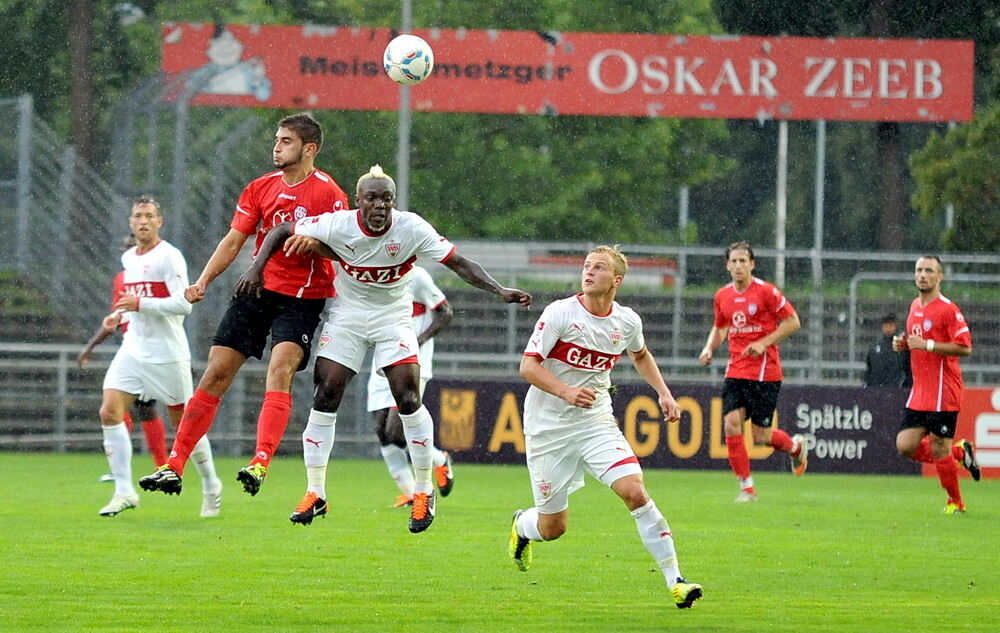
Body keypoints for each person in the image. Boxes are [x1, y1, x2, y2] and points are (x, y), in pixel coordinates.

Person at [234, 164, 531, 533]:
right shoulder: (337, 223)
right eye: (372, 198)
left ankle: (423, 491)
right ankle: (316, 492)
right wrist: (256, 267)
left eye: (386, 199)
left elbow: (458, 262)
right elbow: (279, 229)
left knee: (407, 397)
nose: (379, 206)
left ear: (394, 202)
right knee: (326, 393)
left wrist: (500, 289)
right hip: (348, 315)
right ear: (358, 201)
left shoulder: (411, 227)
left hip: (393, 316)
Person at [139, 113, 349, 498]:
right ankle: (174, 465)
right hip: (256, 289)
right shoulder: (259, 188)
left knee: (280, 367)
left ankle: (260, 461)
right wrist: (202, 281)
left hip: (302, 298)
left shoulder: (329, 194)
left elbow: (346, 249)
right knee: (216, 372)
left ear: (309, 149)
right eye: (277, 139)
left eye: (286, 141)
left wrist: (317, 246)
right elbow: (233, 241)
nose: (277, 146)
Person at [507, 245, 702, 609]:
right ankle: (521, 526)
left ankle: (676, 580)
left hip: (595, 422)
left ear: (616, 280)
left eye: (598, 267)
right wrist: (565, 391)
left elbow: (640, 354)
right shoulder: (560, 313)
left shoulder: (627, 321)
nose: (589, 271)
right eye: (586, 266)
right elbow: (528, 367)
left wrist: (663, 393)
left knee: (635, 492)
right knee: (553, 528)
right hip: (548, 429)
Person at [97, 196, 222, 518]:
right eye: (138, 216)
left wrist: (141, 306)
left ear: (159, 221)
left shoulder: (170, 257)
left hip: (167, 354)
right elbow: (133, 303)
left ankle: (211, 484)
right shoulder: (128, 259)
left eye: (149, 216)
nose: (142, 221)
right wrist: (118, 317)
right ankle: (124, 491)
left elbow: (184, 305)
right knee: (110, 412)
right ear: (130, 221)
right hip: (133, 351)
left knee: (185, 428)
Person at [698, 241, 806, 502]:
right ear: (727, 265)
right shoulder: (722, 295)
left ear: (752, 264)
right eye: (733, 261)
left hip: (765, 373)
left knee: (761, 437)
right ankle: (747, 488)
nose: (738, 266)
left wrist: (764, 342)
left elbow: (793, 321)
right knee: (730, 424)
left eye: (742, 261)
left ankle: (795, 447)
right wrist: (709, 348)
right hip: (736, 370)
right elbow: (721, 327)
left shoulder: (766, 292)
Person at [892, 255, 980, 514]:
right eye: (919, 270)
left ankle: (956, 502)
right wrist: (903, 344)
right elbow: (915, 341)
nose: (922, 275)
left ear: (939, 276)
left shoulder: (947, 309)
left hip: (944, 392)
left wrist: (928, 345)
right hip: (920, 392)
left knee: (939, 448)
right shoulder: (914, 307)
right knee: (905, 445)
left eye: (929, 270)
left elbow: (965, 347)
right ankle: (960, 454)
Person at [366, 265, 455, 507]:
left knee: (396, 431)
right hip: (383, 360)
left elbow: (446, 312)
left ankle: (439, 459)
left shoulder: (417, 277)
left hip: (412, 363)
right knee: (381, 432)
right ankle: (409, 493)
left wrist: (418, 341)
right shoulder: (375, 273)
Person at [79, 234, 168, 473]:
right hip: (134, 350)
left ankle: (161, 466)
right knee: (138, 407)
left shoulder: (158, 274)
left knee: (149, 407)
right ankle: (155, 466)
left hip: (157, 351)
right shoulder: (122, 280)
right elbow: (115, 319)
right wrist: (91, 347)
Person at [863, 313, 911, 388]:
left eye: (891, 325)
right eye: (886, 326)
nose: (888, 328)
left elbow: (907, 369)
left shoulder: (902, 345)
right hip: (877, 389)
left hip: (897, 389)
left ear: (896, 326)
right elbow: (869, 369)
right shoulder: (875, 347)